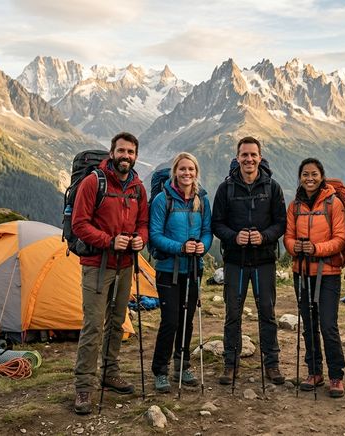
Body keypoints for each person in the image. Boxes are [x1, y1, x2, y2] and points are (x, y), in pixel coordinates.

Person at [71, 132, 148, 414]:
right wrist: (108, 241)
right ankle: (84, 387)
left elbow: (143, 223)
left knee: (117, 322)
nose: (125, 156)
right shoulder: (94, 182)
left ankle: (110, 372)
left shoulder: (138, 188)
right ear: (112, 152)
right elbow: (79, 224)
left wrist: (141, 239)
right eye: (121, 151)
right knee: (93, 325)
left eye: (130, 152)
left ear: (135, 156)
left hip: (125, 265)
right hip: (97, 265)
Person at [212, 136, 287, 385]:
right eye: (244, 155)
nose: (249, 159)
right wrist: (235, 237)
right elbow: (217, 224)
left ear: (260, 156)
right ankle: (230, 364)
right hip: (235, 260)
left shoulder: (272, 187)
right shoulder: (226, 188)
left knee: (267, 312)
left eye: (253, 155)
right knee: (233, 313)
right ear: (237, 158)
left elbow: (281, 223)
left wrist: (264, 236)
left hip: (264, 260)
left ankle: (272, 365)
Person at [148, 152, 212, 393]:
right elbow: (154, 235)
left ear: (196, 172)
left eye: (191, 169)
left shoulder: (202, 199)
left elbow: (207, 230)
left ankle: (183, 365)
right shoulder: (162, 200)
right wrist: (181, 248)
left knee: (187, 321)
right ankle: (160, 370)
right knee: (171, 320)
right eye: (182, 169)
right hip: (168, 270)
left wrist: (202, 246)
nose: (187, 173)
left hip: (194, 269)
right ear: (175, 171)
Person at [284, 158, 345, 398]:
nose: (309, 178)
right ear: (300, 177)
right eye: (305, 174)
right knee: (308, 324)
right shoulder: (295, 206)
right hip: (301, 271)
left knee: (328, 325)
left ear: (321, 176)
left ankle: (336, 375)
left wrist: (316, 249)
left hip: (328, 273)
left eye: (314, 174)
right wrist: (295, 247)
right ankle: (314, 371)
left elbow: (341, 238)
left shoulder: (334, 204)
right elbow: (287, 237)